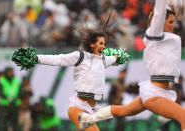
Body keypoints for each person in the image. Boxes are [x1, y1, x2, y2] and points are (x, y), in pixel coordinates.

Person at [12, 12, 130, 131]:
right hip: (78, 108)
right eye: (100, 43)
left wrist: (119, 55)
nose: (104, 47)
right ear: (92, 44)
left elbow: (115, 58)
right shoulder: (80, 56)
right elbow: (56, 59)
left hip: (90, 110)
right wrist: (35, 58)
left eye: (104, 44)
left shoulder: (103, 60)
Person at [78, 0, 185, 130]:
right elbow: (159, 12)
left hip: (158, 91)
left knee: (124, 110)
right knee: (183, 116)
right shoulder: (155, 33)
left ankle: (89, 119)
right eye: (170, 22)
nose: (173, 25)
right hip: (155, 94)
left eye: (174, 22)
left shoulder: (167, 39)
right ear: (160, 22)